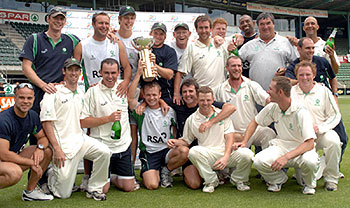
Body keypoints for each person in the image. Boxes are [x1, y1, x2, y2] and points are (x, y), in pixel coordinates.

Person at [40, 58, 111, 200]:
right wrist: (57, 148)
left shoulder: (80, 93)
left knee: (104, 152)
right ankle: (51, 176)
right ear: (63, 71)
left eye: (76, 70)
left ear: (80, 72)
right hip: (63, 146)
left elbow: (83, 120)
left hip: (80, 140)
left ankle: (94, 189)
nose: (74, 73)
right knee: (63, 194)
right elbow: (47, 122)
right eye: (70, 70)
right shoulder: (53, 92)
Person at [238, 76, 319, 195]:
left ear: (280, 92)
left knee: (310, 162)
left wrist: (286, 157)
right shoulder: (273, 107)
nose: (267, 91)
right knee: (259, 161)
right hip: (282, 146)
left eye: (270, 89)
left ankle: (309, 185)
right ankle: (278, 180)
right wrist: (244, 142)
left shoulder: (301, 112)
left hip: (302, 149)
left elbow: (310, 143)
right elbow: (255, 122)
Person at [168, 86, 254, 193]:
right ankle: (211, 181)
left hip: (226, 153)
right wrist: (175, 142)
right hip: (208, 155)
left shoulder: (222, 115)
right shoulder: (192, 119)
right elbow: (186, 141)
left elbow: (229, 137)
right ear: (197, 100)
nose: (205, 103)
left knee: (248, 154)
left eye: (208, 100)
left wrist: (226, 156)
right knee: (193, 152)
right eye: (202, 100)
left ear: (213, 100)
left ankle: (239, 179)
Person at [285, 37, 347, 166]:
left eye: (313, 48)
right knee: (304, 140)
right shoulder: (294, 65)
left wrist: (334, 94)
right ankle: (301, 170)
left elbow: (333, 77)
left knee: (341, 138)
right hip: (306, 105)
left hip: (325, 103)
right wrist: (306, 80)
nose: (311, 51)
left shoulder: (322, 61)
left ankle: (334, 167)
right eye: (308, 48)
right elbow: (288, 81)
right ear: (299, 49)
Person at [128, 61, 188, 189]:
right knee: (152, 185)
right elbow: (130, 99)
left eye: (155, 95)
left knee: (184, 151)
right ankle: (154, 171)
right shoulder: (141, 111)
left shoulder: (169, 110)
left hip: (166, 151)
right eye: (148, 95)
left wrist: (174, 141)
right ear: (144, 95)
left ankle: (166, 170)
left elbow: (174, 129)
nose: (151, 98)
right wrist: (138, 73)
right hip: (150, 153)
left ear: (160, 95)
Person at [80, 58, 135, 193]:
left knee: (128, 187)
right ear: (100, 73)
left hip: (122, 146)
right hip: (102, 148)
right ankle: (105, 179)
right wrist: (107, 119)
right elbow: (83, 122)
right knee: (102, 190)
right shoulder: (92, 92)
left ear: (118, 73)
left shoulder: (123, 87)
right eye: (106, 73)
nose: (110, 77)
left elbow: (142, 97)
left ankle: (112, 176)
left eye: (113, 73)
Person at [19, 7, 80, 115]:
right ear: (48, 19)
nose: (59, 21)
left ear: (65, 22)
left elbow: (78, 61)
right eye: (56, 18)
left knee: (60, 126)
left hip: (60, 93)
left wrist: (111, 35)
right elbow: (26, 67)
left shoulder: (72, 40)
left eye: (62, 19)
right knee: (38, 128)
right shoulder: (35, 39)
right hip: (39, 92)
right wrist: (43, 85)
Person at [291, 61, 341, 191]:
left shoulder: (323, 91)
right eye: (301, 75)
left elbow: (335, 115)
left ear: (313, 75)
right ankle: (320, 164)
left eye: (308, 74)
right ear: (296, 76)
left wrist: (321, 128)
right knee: (302, 182)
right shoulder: (291, 92)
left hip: (321, 133)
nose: (305, 78)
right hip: (301, 137)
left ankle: (331, 179)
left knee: (334, 141)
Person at [0, 83, 53, 201]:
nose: (25, 101)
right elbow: (4, 154)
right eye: (21, 97)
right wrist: (31, 163)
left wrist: (39, 148)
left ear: (34, 99)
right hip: (2, 158)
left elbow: (43, 138)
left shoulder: (32, 116)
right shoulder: (4, 120)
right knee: (14, 173)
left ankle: (30, 192)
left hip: (9, 159)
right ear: (14, 98)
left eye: (29, 98)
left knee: (47, 151)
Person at [214, 56, 275, 149]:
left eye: (239, 66)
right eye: (233, 66)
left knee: (269, 134)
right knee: (241, 159)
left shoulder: (251, 85)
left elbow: (266, 99)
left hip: (253, 130)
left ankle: (263, 162)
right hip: (232, 133)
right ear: (227, 68)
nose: (237, 69)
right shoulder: (220, 89)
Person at [74, 11, 131, 94]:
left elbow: (127, 67)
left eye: (107, 23)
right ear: (93, 24)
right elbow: (73, 70)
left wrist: (125, 83)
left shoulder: (116, 43)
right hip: (92, 93)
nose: (104, 26)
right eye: (100, 23)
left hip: (114, 92)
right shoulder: (82, 45)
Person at [239, 12, 298, 90]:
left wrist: (287, 71)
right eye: (262, 24)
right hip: (255, 93)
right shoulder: (249, 45)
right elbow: (234, 61)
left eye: (268, 23)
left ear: (273, 24)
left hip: (279, 93)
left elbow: (296, 64)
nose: (265, 27)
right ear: (258, 26)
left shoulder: (285, 42)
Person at [176, 15, 228, 91]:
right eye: (201, 28)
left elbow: (237, 38)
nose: (204, 31)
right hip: (201, 94)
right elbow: (180, 73)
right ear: (196, 30)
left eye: (206, 27)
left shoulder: (221, 44)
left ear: (211, 29)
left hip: (220, 93)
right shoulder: (191, 48)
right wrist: (176, 94)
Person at [142, 22, 177, 101]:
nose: (158, 36)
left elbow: (169, 75)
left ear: (165, 37)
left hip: (165, 93)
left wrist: (154, 65)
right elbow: (144, 77)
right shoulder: (144, 50)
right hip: (147, 94)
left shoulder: (169, 51)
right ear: (150, 33)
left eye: (161, 34)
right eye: (155, 33)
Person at [170, 23, 192, 105]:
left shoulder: (193, 47)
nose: (181, 35)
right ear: (174, 34)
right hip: (173, 90)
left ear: (189, 34)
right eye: (178, 33)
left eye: (184, 32)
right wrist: (176, 94)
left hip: (190, 89)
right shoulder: (169, 48)